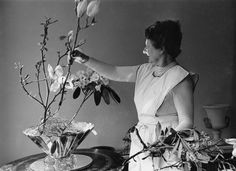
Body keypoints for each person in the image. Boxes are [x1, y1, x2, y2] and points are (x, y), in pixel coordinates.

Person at [72, 20, 196, 171]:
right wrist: (85, 60)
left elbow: (187, 121)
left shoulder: (180, 78)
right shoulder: (145, 70)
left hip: (167, 148)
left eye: (148, 46)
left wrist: (163, 145)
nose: (144, 50)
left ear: (162, 49)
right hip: (141, 142)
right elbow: (115, 72)